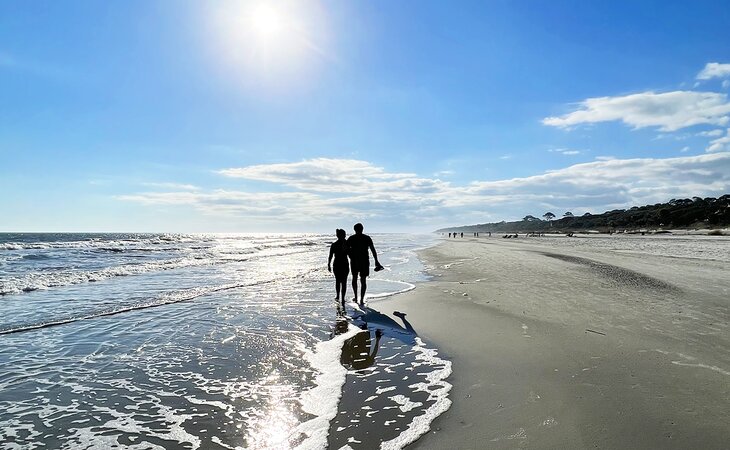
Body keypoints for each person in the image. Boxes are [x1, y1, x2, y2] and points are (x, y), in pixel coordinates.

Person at [347, 223, 383, 305]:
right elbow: (373, 250)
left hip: (354, 261)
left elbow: (345, 248)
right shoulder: (367, 238)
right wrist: (376, 261)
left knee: (354, 278)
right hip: (364, 261)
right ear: (362, 229)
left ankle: (356, 297)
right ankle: (361, 299)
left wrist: (350, 256)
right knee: (363, 280)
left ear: (354, 229)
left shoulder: (351, 238)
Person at [328, 229, 349, 305]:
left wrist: (329, 264)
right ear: (344, 235)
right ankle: (342, 298)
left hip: (336, 264)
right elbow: (350, 254)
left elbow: (330, 256)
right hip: (344, 264)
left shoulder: (334, 244)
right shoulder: (347, 243)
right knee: (344, 282)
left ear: (337, 235)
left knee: (337, 281)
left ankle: (338, 296)